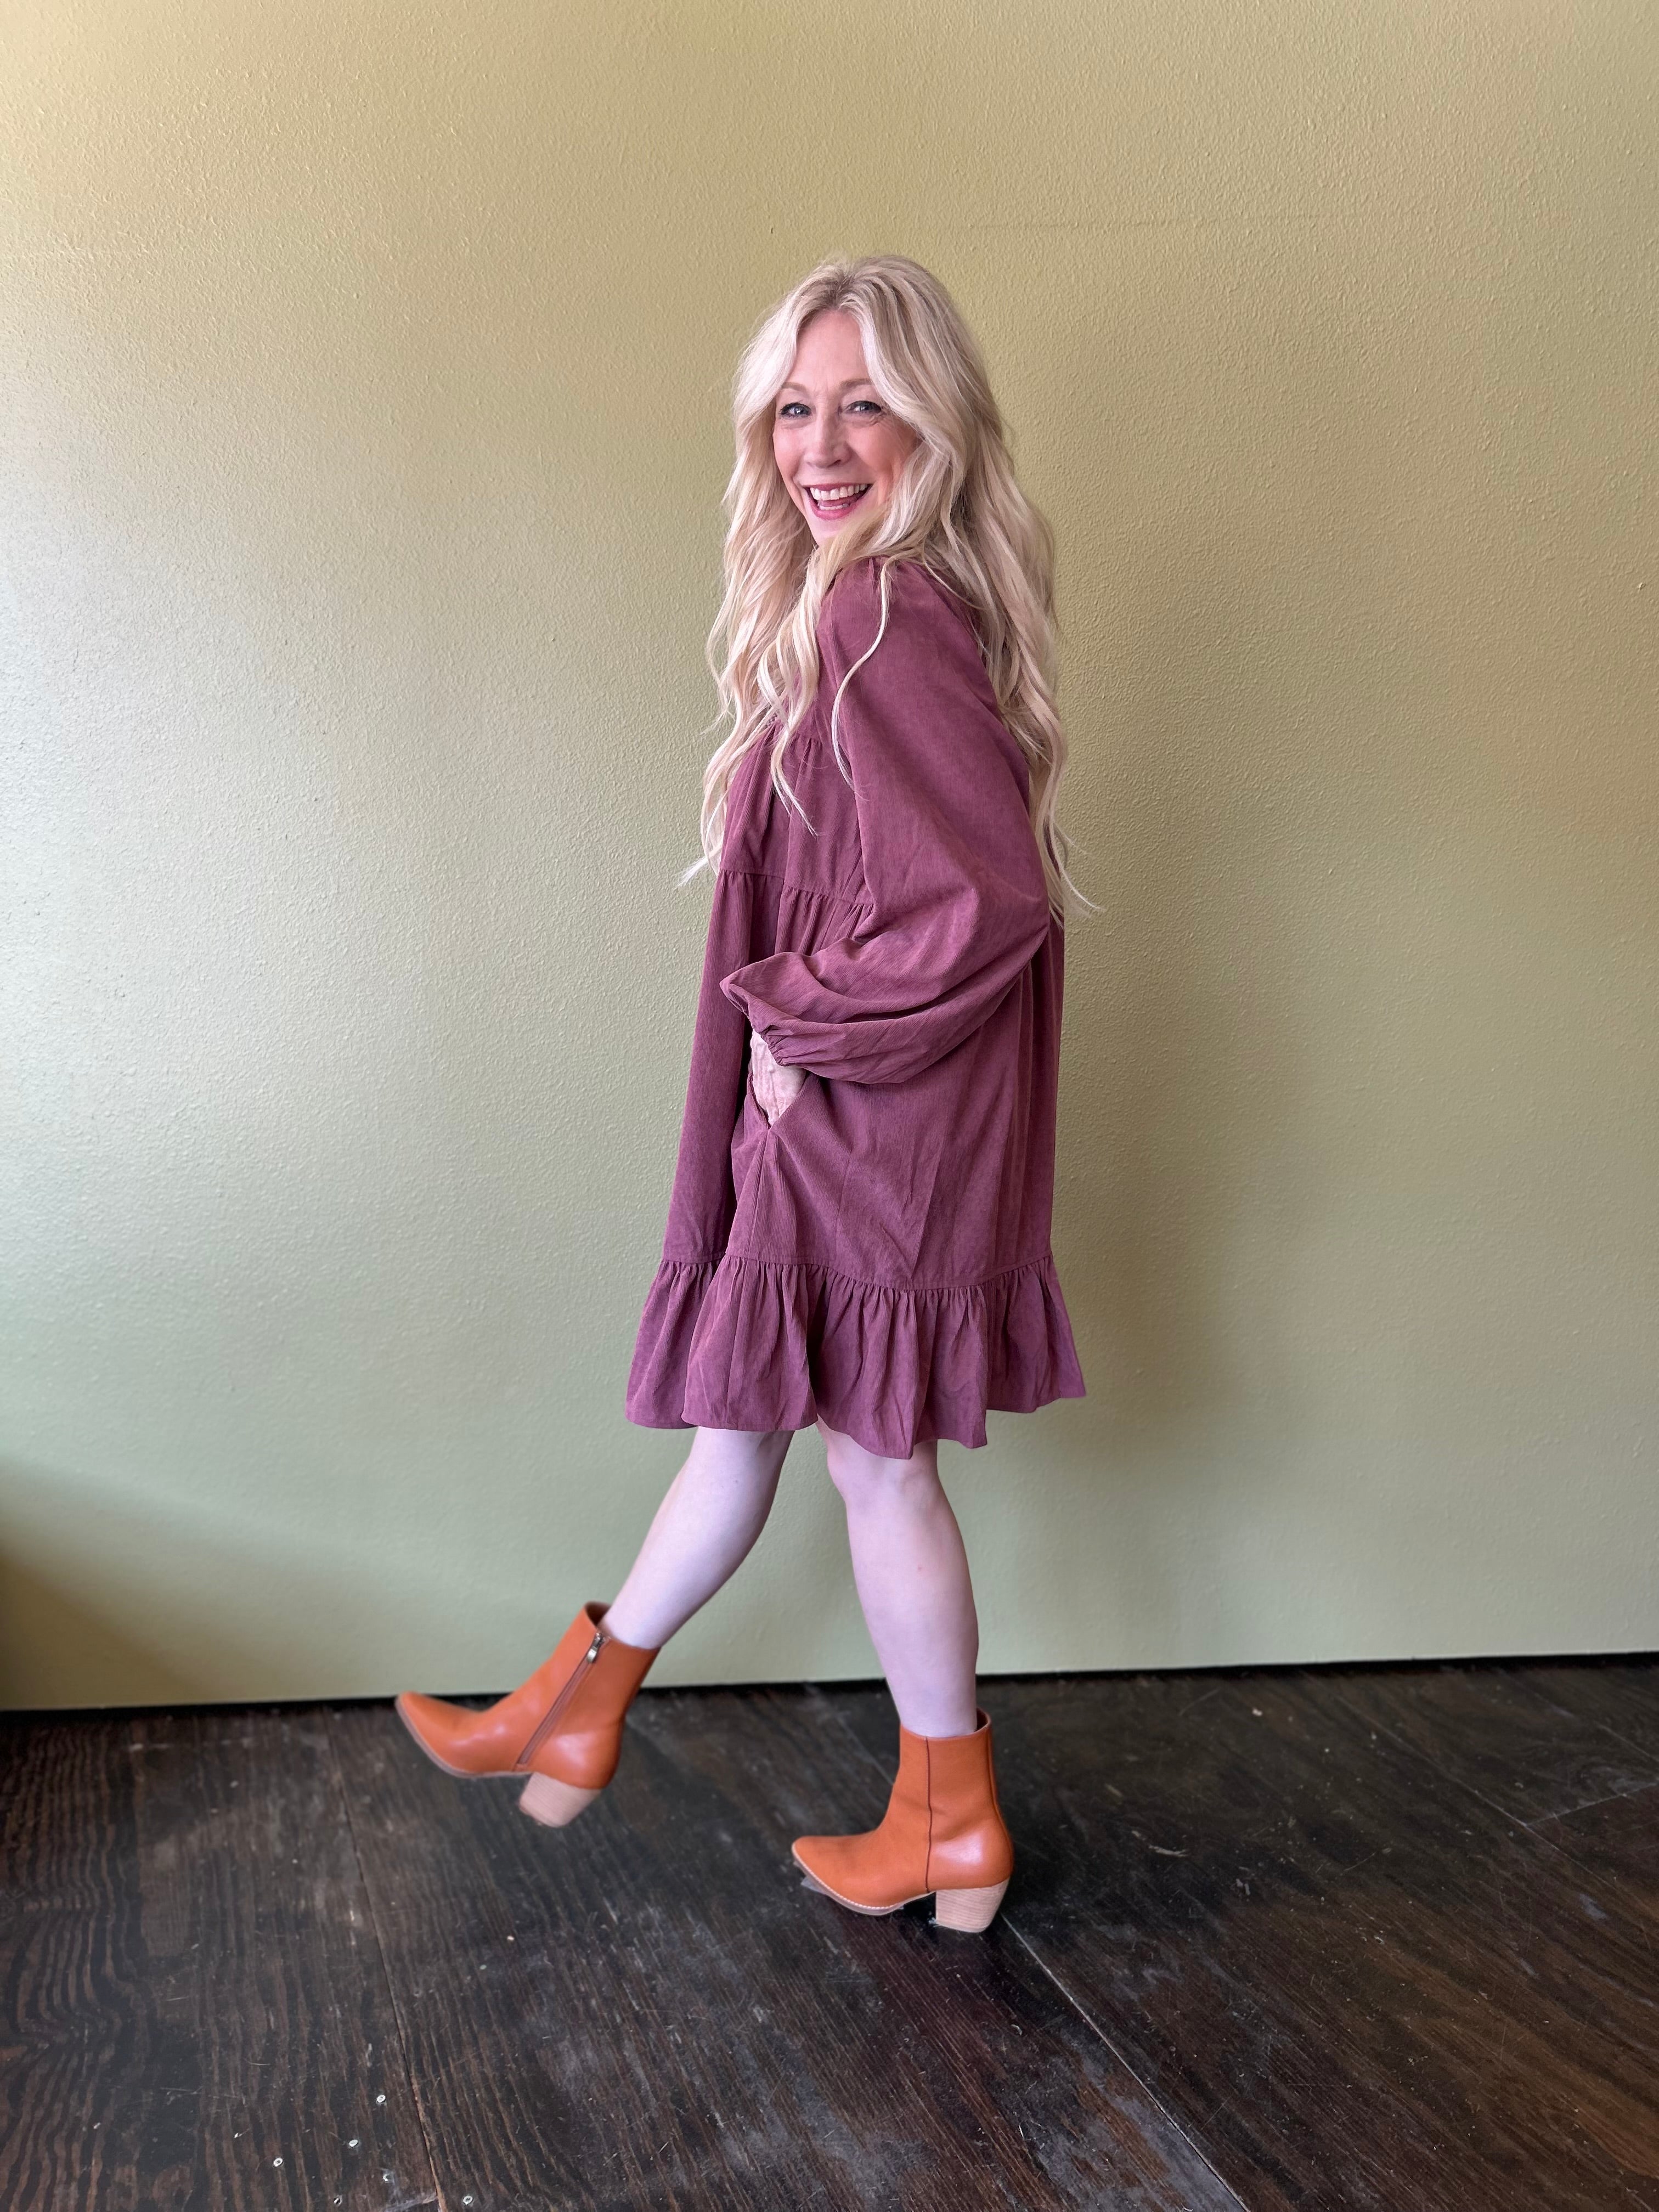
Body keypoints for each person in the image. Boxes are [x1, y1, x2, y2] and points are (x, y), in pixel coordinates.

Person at [396, 255, 1087, 1936]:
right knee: (774, 1437)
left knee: (869, 1467)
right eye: (793, 408)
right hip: (873, 1119)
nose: (820, 446)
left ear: (935, 422)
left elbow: (985, 900)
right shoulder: (893, 608)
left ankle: (914, 1806)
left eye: (864, 405)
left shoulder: (880, 616)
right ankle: (595, 1704)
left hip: (872, 1123)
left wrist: (797, 1021)